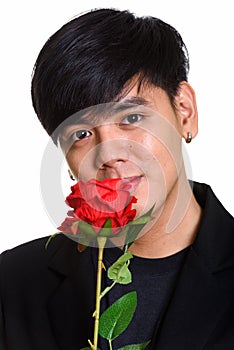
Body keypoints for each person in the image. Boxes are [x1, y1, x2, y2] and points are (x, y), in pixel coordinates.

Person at [0, 7, 234, 350]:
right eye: (80, 134)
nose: (109, 153)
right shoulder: (12, 283)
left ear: (184, 111)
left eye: (132, 116)